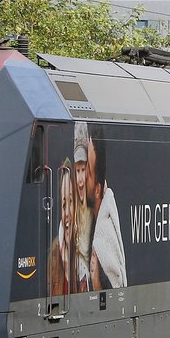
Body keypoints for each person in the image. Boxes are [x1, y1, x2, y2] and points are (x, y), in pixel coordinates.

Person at [88, 123, 127, 289]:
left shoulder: (103, 242)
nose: (80, 181)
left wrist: (96, 280)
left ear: (98, 190)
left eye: (87, 172)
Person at [47, 159, 74, 297]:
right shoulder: (55, 253)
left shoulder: (93, 256)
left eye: (71, 201)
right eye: (64, 206)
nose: (67, 213)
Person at [72, 123, 94, 292]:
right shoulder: (70, 213)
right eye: (77, 170)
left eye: (83, 170)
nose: (80, 180)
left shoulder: (99, 207)